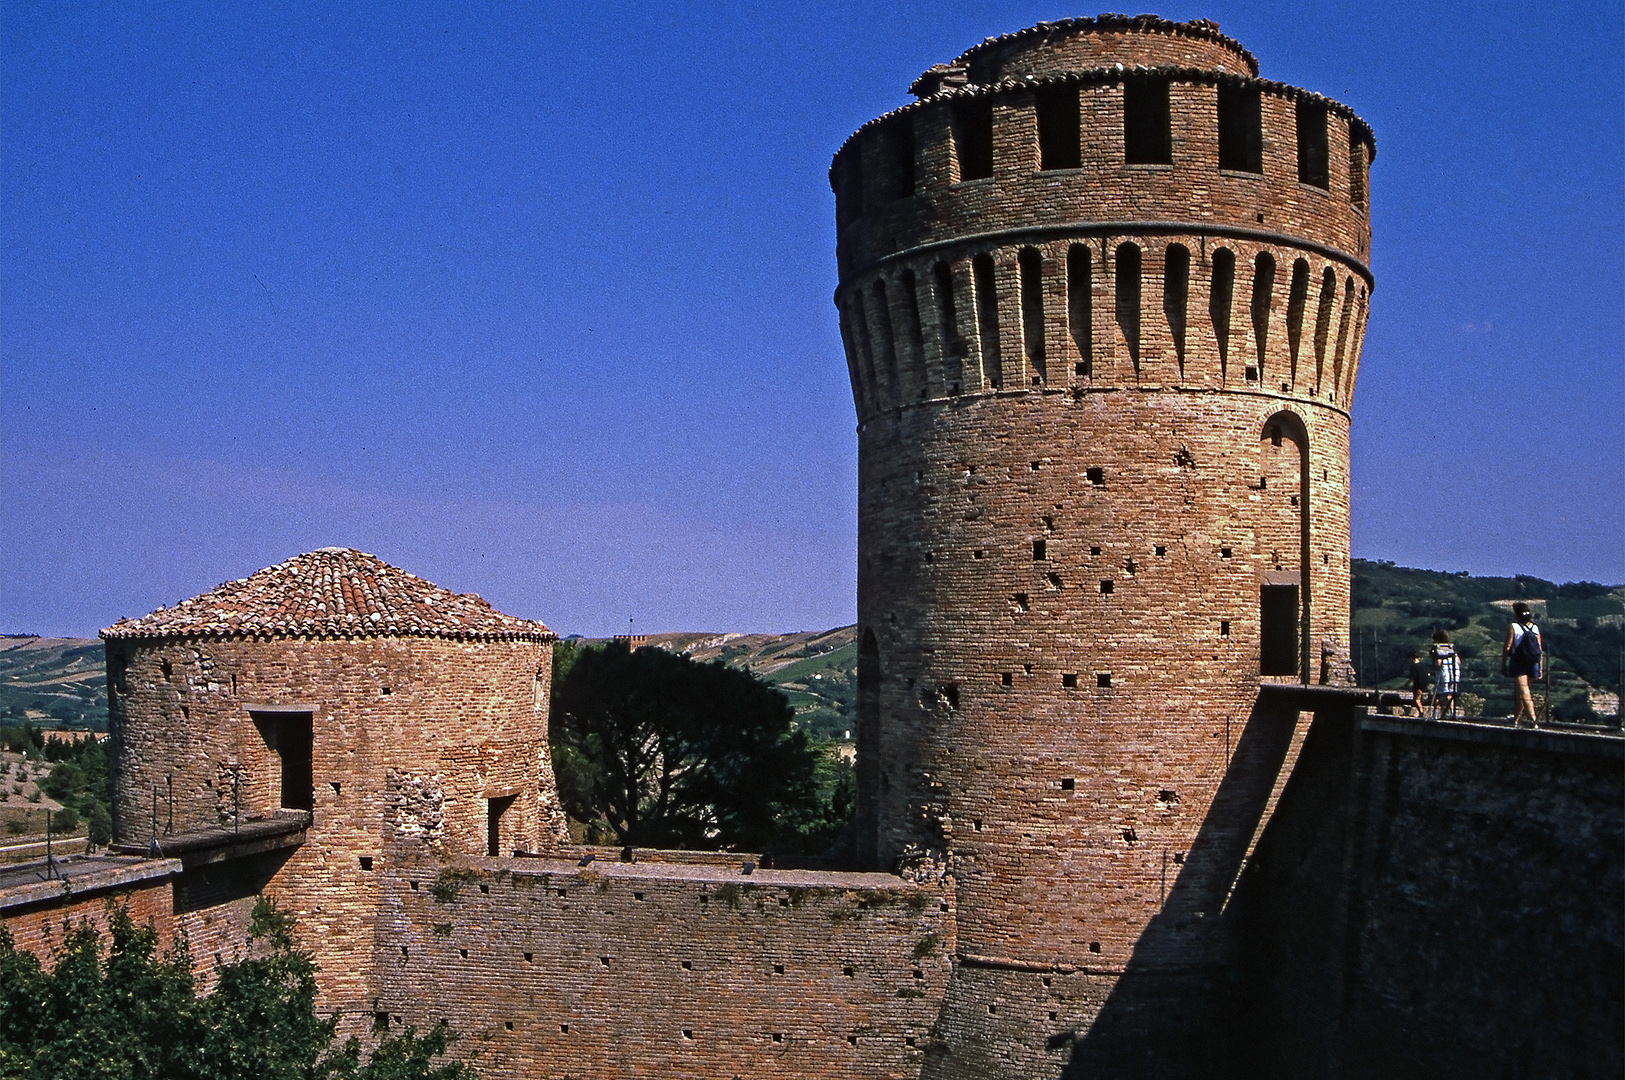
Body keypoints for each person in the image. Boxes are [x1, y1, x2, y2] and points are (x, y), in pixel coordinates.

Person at [1502, 602, 1542, 726]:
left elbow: (1507, 647)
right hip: (1533, 661)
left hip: (1518, 661)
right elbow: (1539, 648)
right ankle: (1516, 719)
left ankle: (1533, 720)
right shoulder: (1535, 627)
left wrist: (1503, 663)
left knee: (1524, 691)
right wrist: (1540, 667)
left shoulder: (1513, 626)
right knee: (1522, 691)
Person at [1430, 630, 1460, 718]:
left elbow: (1438, 663)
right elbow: (1458, 661)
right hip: (1454, 674)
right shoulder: (1451, 648)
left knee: (1437, 694)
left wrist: (1434, 667)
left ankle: (1435, 714)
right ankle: (1452, 713)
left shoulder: (1438, 649)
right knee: (1450, 694)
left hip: (1443, 675)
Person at [1407, 650, 1430, 715]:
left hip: (1417, 684)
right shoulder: (1424, 666)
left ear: (1412, 658)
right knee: (1419, 698)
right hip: (1424, 684)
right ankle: (1421, 711)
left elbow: (1412, 677)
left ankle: (1421, 711)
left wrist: (1407, 684)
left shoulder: (1413, 666)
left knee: (1417, 699)